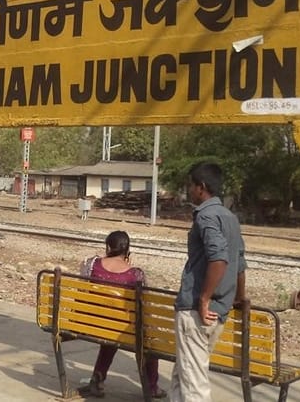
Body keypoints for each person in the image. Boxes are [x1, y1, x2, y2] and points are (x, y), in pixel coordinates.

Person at [170, 162, 246, 402]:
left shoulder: (206, 216)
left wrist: (203, 300)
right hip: (219, 310)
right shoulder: (230, 218)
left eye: (190, 185)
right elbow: (239, 263)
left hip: (197, 311)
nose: (189, 190)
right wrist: (239, 297)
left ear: (201, 187)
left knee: (194, 385)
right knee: (183, 375)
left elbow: (219, 258)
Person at [77, 230, 166, 399]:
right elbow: (144, 306)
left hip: (89, 324)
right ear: (128, 251)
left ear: (108, 247)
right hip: (119, 328)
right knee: (148, 340)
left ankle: (97, 379)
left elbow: (82, 288)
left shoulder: (92, 264)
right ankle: (152, 387)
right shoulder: (135, 274)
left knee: (111, 331)